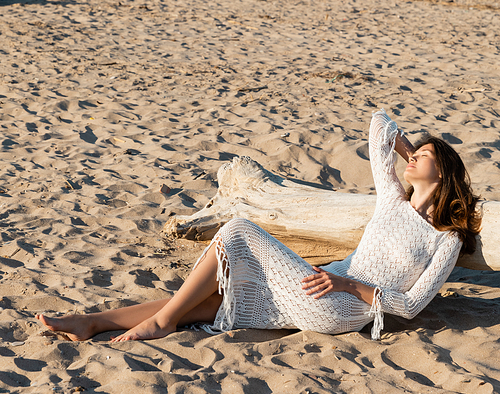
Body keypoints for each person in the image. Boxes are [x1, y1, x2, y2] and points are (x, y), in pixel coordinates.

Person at [36, 110, 481, 343]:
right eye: (413, 154)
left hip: (343, 305)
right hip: (324, 286)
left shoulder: (445, 239)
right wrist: (407, 148)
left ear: (443, 171)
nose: (413, 157)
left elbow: (410, 306)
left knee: (238, 230)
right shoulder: (392, 200)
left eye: (425, 156)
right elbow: (379, 123)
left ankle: (160, 324)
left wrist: (348, 287)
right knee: (214, 298)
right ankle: (92, 322)